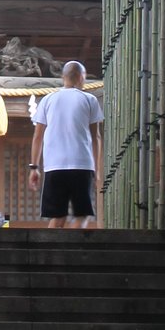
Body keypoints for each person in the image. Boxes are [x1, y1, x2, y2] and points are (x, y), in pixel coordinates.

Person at [28, 60, 104, 228]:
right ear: (81, 77)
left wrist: (34, 168)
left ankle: (48, 253)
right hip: (82, 165)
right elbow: (96, 137)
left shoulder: (48, 99)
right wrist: (97, 171)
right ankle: (72, 250)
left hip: (54, 166)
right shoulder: (90, 99)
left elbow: (37, 136)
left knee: (57, 217)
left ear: (63, 77)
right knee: (82, 215)